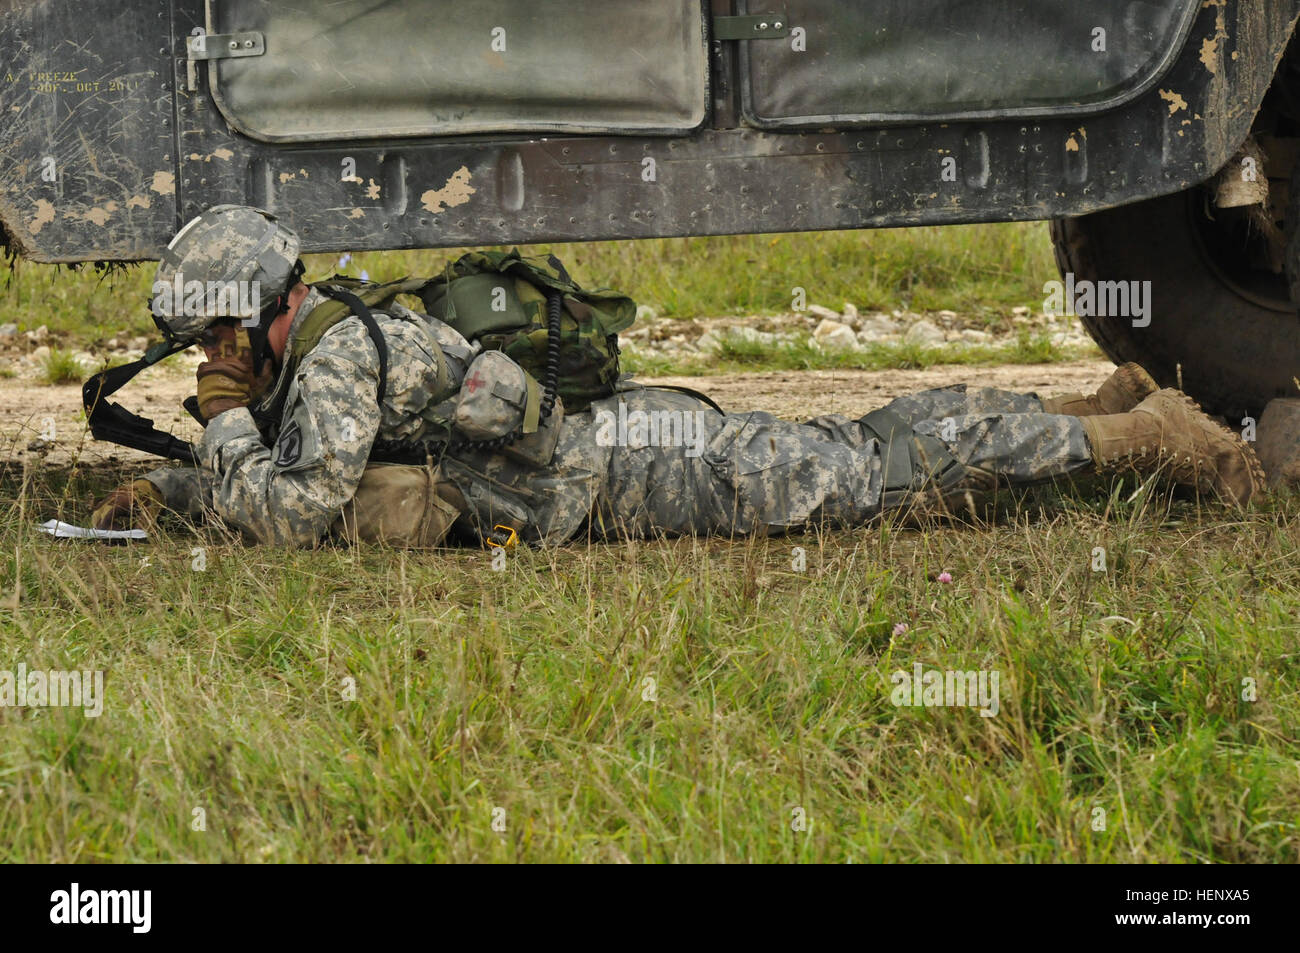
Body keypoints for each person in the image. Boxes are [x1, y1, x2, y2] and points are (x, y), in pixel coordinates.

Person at [91, 206, 1265, 547]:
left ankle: (1137, 439)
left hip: (638, 473)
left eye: (210, 338)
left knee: (863, 473)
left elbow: (298, 508)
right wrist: (180, 490)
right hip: (614, 455)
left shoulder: (334, 355)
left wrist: (220, 429)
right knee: (862, 444)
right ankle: (1081, 409)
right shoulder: (329, 340)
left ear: (252, 313)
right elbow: (314, 479)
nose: (208, 360)